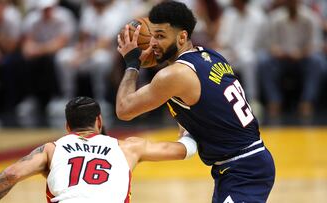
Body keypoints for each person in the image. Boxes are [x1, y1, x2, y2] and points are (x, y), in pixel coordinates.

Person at [116, 1, 275, 202]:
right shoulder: (211, 55)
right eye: (153, 36)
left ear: (182, 37)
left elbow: (124, 110)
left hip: (243, 168)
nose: (153, 43)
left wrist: (132, 64)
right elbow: (196, 112)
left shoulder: (174, 75)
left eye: (160, 36)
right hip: (241, 164)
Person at [0, 96, 196, 203]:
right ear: (99, 121)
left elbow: (11, 175)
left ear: (67, 127)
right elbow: (185, 149)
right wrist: (185, 120)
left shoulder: (52, 149)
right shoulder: (129, 147)